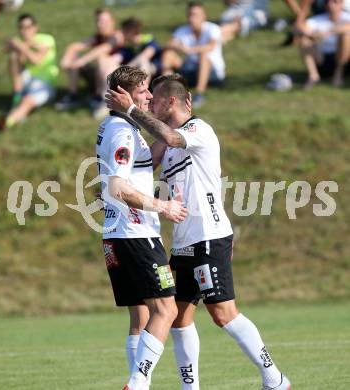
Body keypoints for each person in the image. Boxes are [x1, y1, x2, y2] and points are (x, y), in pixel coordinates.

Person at [105, 74, 291, 390]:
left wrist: (132, 111)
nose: (149, 99)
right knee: (177, 318)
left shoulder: (196, 130)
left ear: (171, 102)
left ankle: (274, 378)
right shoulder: (166, 141)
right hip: (182, 244)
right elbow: (141, 164)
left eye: (155, 96)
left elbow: (172, 138)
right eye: (144, 95)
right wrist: (112, 186)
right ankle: (190, 388)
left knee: (223, 314)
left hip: (209, 236)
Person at [96, 66, 187, 390]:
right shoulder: (123, 132)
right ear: (125, 95)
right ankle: (137, 383)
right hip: (136, 235)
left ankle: (139, 384)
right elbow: (118, 188)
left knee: (142, 317)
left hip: (117, 236)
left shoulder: (115, 127)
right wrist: (163, 206)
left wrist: (176, 129)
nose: (149, 96)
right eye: (144, 91)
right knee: (166, 308)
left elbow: (125, 174)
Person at [0, 13, 58, 132]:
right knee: (13, 56)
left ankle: (8, 121)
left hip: (43, 84)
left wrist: (21, 46)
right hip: (26, 80)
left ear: (35, 27)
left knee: (27, 101)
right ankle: (17, 97)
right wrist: (22, 45)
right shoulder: (20, 41)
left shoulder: (46, 39)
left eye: (28, 27)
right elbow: (6, 48)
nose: (24, 31)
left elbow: (36, 60)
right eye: (21, 27)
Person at [93, 17, 162, 119]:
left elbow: (145, 56)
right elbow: (118, 57)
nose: (122, 34)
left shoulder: (149, 41)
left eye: (124, 31)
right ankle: (107, 102)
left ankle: (143, 101)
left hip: (152, 71)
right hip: (132, 71)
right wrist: (105, 62)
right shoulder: (128, 47)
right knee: (109, 66)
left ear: (130, 32)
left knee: (143, 64)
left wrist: (125, 69)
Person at [55, 8, 123, 113]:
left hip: (118, 78)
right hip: (99, 75)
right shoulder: (98, 37)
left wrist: (82, 61)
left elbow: (103, 49)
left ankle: (102, 98)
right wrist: (66, 60)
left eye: (104, 21)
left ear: (112, 22)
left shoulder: (117, 36)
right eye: (98, 21)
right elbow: (74, 46)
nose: (100, 24)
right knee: (74, 58)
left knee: (102, 59)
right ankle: (73, 96)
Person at [162, 1, 225, 109]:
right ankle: (165, 91)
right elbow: (168, 45)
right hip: (190, 69)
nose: (192, 18)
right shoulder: (182, 30)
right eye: (190, 14)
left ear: (203, 16)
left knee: (204, 55)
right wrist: (176, 46)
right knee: (168, 54)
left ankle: (199, 94)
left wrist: (190, 50)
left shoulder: (213, 29)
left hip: (212, 72)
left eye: (195, 15)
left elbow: (211, 46)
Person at [297, 0, 350, 88]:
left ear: (341, 4)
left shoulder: (346, 18)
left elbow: (347, 27)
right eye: (328, 2)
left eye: (334, 2)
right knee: (304, 40)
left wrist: (328, 32)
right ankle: (313, 75)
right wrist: (314, 36)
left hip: (344, 60)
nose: (330, 5)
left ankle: (338, 74)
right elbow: (300, 29)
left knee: (346, 35)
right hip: (321, 59)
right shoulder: (317, 20)